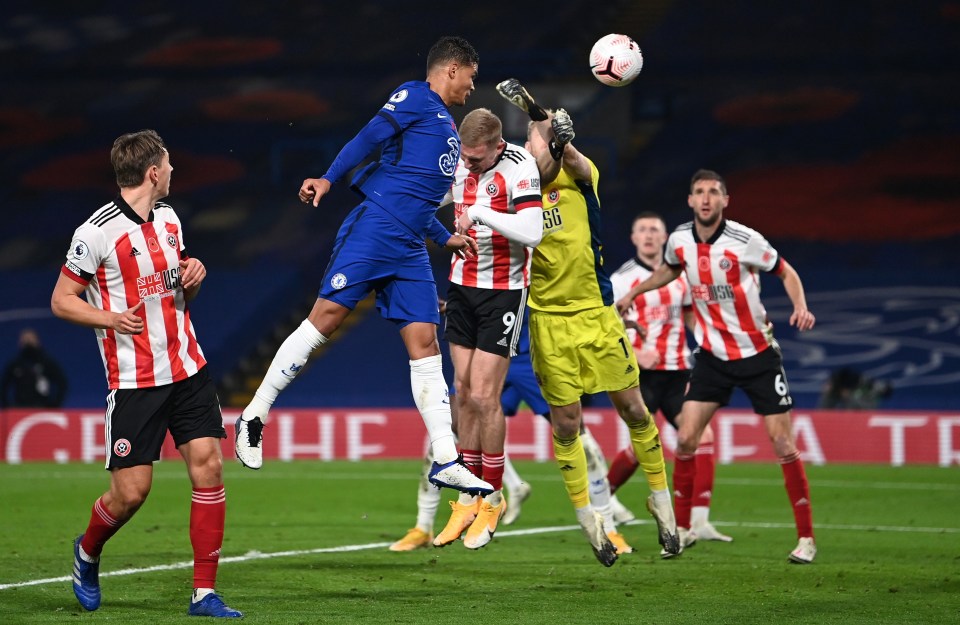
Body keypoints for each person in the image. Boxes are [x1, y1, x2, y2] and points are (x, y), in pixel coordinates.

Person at [234, 36, 492, 497]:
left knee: (425, 342)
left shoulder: (446, 125)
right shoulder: (415, 97)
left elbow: (416, 195)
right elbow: (368, 137)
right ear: (452, 69)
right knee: (326, 319)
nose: (473, 87)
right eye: (471, 77)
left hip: (411, 244)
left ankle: (445, 457)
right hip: (376, 229)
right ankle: (254, 415)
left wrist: (443, 236)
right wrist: (328, 178)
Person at [50, 130, 242, 617]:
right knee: (131, 493)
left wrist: (192, 275)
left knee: (209, 466)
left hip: (188, 367)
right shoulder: (95, 233)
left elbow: (176, 293)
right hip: (136, 381)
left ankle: (204, 593)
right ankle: (88, 550)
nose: (175, 170)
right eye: (169, 163)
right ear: (153, 172)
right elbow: (61, 301)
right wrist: (111, 318)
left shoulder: (171, 220)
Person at [497, 78, 679, 566]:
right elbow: (537, 168)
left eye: (541, 135)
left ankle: (663, 505)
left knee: (636, 412)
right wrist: (545, 130)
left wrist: (561, 138)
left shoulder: (582, 174)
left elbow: (567, 160)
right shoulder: (521, 185)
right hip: (548, 323)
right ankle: (590, 520)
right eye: (535, 136)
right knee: (566, 425)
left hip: (597, 318)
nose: (536, 142)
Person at [615, 169, 817, 564]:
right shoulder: (678, 240)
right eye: (699, 192)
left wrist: (800, 307)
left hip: (758, 354)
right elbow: (670, 269)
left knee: (783, 444)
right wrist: (635, 293)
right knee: (687, 439)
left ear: (725, 200)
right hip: (712, 357)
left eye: (713, 193)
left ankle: (806, 538)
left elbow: (786, 271)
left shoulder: (746, 241)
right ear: (690, 200)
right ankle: (685, 529)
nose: (706, 199)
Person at [429, 107, 543, 550]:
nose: (469, 165)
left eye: (477, 159)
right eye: (466, 158)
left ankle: (492, 497)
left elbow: (532, 230)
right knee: (461, 389)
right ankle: (467, 498)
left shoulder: (520, 167)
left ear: (498, 146)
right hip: (461, 288)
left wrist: (478, 211)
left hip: (503, 292)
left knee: (483, 395)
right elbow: (431, 196)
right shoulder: (458, 160)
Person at [609, 212, 732, 554]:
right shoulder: (622, 280)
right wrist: (635, 354)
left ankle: (700, 521)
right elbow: (608, 327)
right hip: (640, 375)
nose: (649, 236)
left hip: (678, 371)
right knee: (642, 447)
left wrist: (706, 341)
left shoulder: (679, 276)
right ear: (634, 238)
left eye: (655, 230)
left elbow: (690, 313)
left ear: (664, 237)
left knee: (702, 437)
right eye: (642, 230)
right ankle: (603, 499)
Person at [1, 328, 68, 408]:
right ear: (20, 343)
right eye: (25, 339)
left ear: (38, 341)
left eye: (31, 339)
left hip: (42, 407)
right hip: (20, 408)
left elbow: (62, 384)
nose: (28, 341)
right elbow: (3, 386)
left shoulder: (47, 363)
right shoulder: (15, 364)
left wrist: (54, 405)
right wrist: (7, 406)